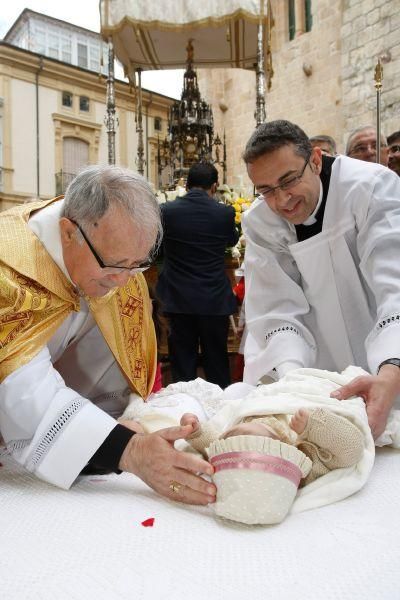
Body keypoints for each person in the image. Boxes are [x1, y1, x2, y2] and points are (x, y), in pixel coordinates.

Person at [0, 164, 215, 505]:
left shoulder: (117, 261)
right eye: (114, 264)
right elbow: (21, 389)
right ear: (68, 232)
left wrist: (132, 426)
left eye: (138, 265)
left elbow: (116, 380)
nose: (124, 280)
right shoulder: (7, 269)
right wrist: (129, 452)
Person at [241, 119, 400, 441]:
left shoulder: (369, 186)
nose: (282, 200)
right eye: (266, 190)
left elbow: (394, 281)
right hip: (319, 364)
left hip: (387, 353)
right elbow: (275, 309)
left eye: (288, 181)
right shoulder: (261, 220)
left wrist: (391, 368)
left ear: (315, 160)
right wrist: (296, 385)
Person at [157, 162, 239, 388]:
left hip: (178, 298)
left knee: (182, 363)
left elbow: (157, 247)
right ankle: (221, 412)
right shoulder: (224, 213)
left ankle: (185, 411)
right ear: (214, 186)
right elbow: (231, 241)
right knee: (217, 361)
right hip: (213, 300)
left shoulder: (166, 211)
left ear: (188, 184)